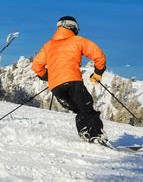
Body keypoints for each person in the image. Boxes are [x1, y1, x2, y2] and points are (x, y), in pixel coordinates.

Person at [32, 16, 107, 144]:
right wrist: (98, 72)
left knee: (79, 109)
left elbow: (36, 65)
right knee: (86, 107)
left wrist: (49, 76)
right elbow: (98, 55)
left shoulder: (48, 45)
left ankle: (86, 133)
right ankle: (96, 135)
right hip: (73, 82)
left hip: (56, 87)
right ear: (72, 27)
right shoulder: (77, 41)